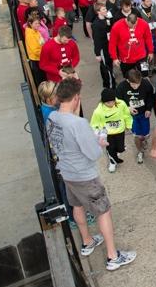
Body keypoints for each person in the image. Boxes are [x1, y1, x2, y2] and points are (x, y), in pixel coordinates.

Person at [46, 78, 136, 271]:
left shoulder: (52, 118)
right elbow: (94, 154)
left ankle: (87, 241)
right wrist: (100, 143)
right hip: (85, 176)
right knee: (103, 211)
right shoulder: (78, 123)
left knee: (77, 205)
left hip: (67, 173)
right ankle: (113, 256)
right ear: (76, 98)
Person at [115, 69, 155, 164]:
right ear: (128, 80)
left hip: (144, 114)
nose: (136, 86)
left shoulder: (146, 84)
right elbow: (117, 102)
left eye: (138, 84)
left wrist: (149, 109)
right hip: (131, 117)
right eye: (133, 84)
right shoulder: (121, 87)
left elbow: (150, 97)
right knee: (137, 136)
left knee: (145, 134)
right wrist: (127, 108)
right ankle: (140, 151)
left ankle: (143, 140)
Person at [90, 89, 133, 173]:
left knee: (120, 149)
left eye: (112, 101)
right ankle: (112, 162)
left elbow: (126, 115)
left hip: (120, 131)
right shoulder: (98, 111)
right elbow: (94, 124)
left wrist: (128, 125)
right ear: (103, 102)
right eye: (108, 103)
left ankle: (116, 153)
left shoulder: (121, 104)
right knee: (110, 148)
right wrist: (97, 134)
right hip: (108, 133)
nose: (110, 104)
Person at [109, 13, 154, 78]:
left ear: (137, 20)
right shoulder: (116, 26)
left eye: (134, 25)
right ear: (126, 20)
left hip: (142, 56)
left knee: (145, 75)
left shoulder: (144, 24)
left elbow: (148, 38)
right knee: (128, 77)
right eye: (130, 25)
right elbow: (112, 43)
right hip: (126, 58)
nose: (133, 27)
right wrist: (114, 58)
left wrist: (151, 51)